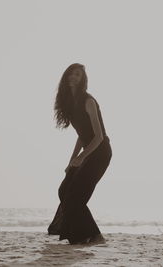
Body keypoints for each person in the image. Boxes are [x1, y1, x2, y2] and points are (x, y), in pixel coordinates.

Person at [48, 63, 113, 245]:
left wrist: (82, 157)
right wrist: (72, 161)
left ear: (82, 79)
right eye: (71, 74)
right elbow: (81, 136)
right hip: (88, 151)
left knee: (76, 196)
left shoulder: (88, 101)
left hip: (100, 153)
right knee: (64, 191)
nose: (73, 77)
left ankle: (96, 237)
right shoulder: (71, 104)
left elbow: (99, 136)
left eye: (77, 75)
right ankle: (87, 235)